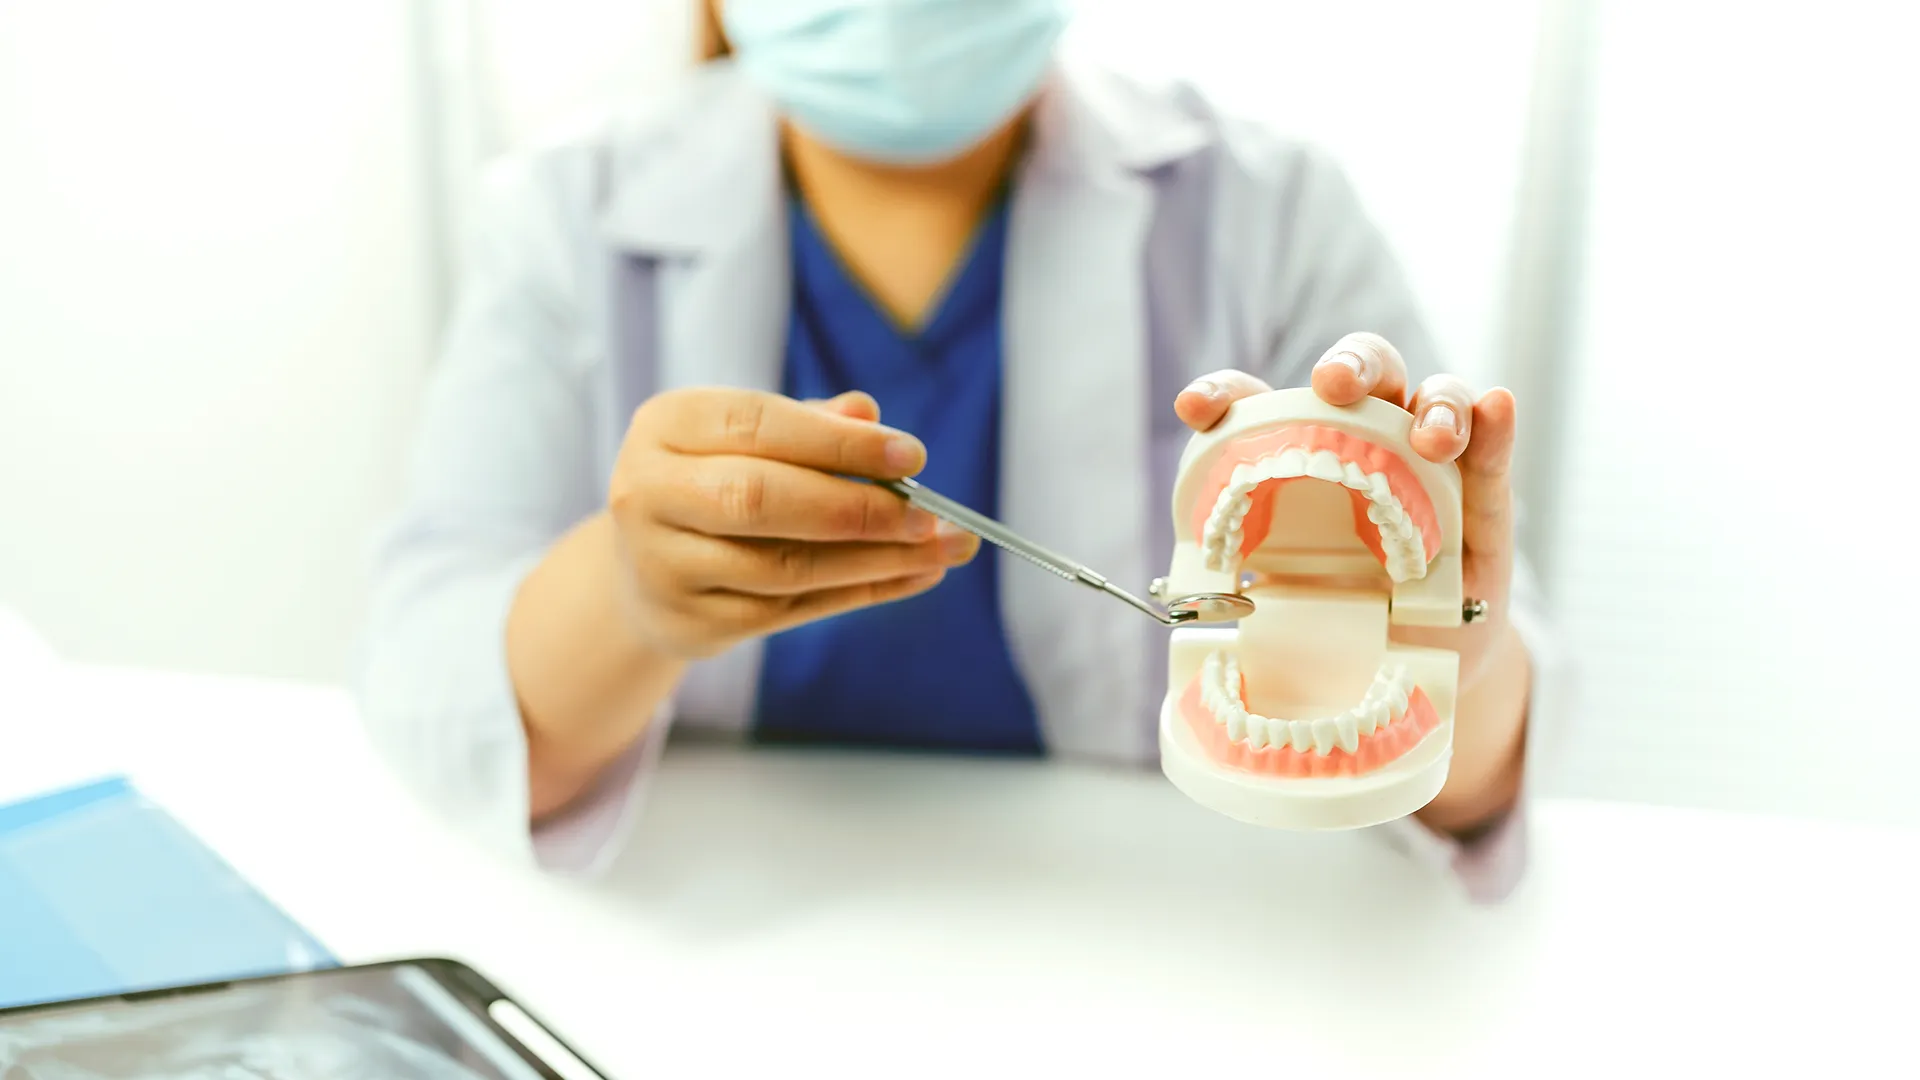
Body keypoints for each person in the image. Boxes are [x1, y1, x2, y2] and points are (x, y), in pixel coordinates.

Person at [355, 0, 1560, 903]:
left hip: (1155, 956)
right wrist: (626, 600)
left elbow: (1485, 783)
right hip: (703, 956)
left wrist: (1447, 646)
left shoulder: (1274, 213)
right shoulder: (561, 212)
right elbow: (431, 688)